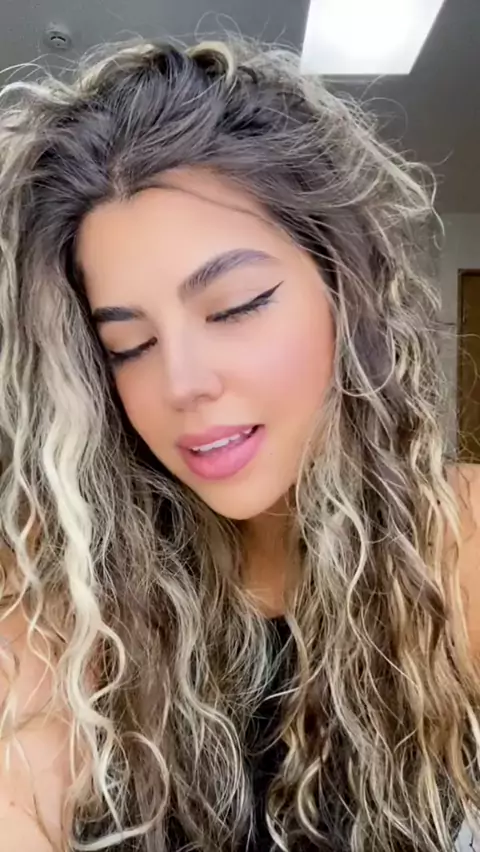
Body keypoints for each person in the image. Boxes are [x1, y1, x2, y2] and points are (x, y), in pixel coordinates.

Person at [0, 34, 479, 852]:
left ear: (345, 287)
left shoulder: (460, 544)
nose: (182, 383)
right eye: (127, 345)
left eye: (236, 306)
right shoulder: (60, 593)